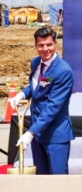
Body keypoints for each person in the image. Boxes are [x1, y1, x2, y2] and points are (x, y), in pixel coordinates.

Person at [8, 27, 75, 174]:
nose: (45, 49)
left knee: (58, 179)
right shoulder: (36, 62)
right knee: (41, 179)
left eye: (49, 44)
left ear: (55, 44)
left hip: (55, 135)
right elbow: (36, 87)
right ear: (36, 46)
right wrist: (22, 94)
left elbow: (53, 107)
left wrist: (30, 133)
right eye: (41, 45)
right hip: (38, 134)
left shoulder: (63, 71)